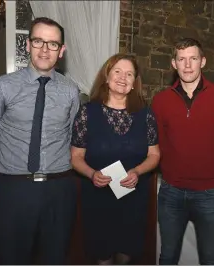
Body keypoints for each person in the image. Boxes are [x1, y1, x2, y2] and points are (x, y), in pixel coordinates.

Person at [0, 17, 80, 264]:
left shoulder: (71, 90)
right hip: (13, 188)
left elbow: (73, 136)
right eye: (38, 41)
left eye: (53, 44)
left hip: (59, 188)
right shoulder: (2, 86)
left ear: (61, 51)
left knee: (55, 257)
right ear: (27, 44)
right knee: (11, 258)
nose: (45, 49)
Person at [152, 38, 214, 265]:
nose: (187, 65)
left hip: (209, 193)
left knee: (210, 258)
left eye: (193, 59)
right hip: (171, 191)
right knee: (167, 256)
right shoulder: (160, 101)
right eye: (182, 59)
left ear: (203, 61)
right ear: (174, 63)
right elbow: (156, 144)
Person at [70, 53, 160, 265]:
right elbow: (76, 157)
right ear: (107, 77)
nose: (123, 77)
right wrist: (92, 173)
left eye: (129, 74)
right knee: (103, 256)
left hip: (133, 198)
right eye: (117, 71)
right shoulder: (87, 113)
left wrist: (137, 171)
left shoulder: (146, 114)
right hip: (98, 198)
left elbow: (155, 155)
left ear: (134, 83)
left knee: (126, 255)